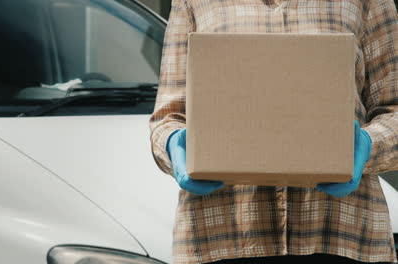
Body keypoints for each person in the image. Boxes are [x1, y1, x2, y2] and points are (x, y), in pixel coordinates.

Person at [148, 0, 398, 264]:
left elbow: (393, 109)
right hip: (223, 234)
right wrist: (175, 145)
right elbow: (168, 118)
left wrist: (367, 145)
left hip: (339, 232)